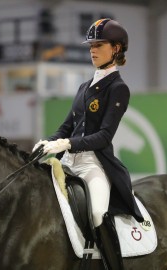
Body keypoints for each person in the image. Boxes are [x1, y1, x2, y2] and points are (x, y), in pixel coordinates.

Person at [33, 18, 144, 270]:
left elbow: (104, 136)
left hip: (94, 165)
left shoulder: (118, 88)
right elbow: (66, 127)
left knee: (96, 214)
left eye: (99, 44)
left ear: (116, 48)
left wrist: (66, 144)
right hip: (68, 164)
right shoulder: (84, 86)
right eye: (90, 45)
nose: (92, 49)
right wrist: (46, 143)